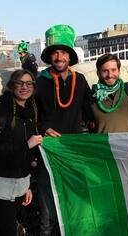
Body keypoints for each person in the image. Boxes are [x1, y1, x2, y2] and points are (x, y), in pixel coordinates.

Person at [35, 24, 93, 235]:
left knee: (74, 191)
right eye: (55, 53)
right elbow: (32, 114)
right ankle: (46, 230)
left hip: (74, 147)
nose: (59, 57)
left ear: (70, 56)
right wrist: (43, 128)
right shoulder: (39, 82)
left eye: (63, 52)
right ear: (50, 57)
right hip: (48, 146)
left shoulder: (81, 80)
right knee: (46, 192)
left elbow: (89, 111)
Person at [0, 69, 41, 236]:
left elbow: (26, 154)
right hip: (0, 181)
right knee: (8, 229)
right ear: (12, 86)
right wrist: (27, 145)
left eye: (29, 83)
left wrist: (27, 185)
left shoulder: (30, 110)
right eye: (20, 83)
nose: (24, 87)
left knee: (6, 228)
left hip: (20, 181)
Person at [90, 54, 128, 133]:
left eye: (113, 70)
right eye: (105, 71)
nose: (110, 75)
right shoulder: (91, 97)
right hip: (105, 144)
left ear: (119, 71)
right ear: (98, 73)